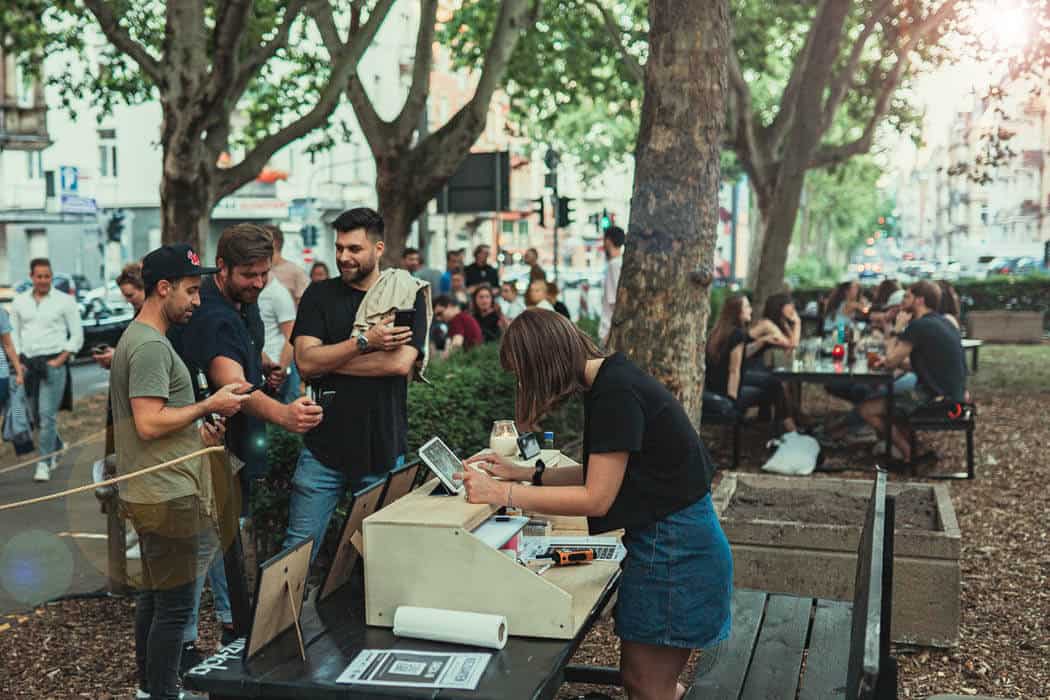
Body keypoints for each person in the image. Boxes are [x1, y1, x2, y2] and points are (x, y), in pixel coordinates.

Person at [456, 310, 732, 700]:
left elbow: (596, 497)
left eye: (523, 374)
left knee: (645, 685)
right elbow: (603, 470)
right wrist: (522, 472)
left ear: (542, 362)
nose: (523, 383)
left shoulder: (615, 393)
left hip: (675, 552)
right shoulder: (612, 380)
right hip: (676, 545)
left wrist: (501, 494)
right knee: (650, 683)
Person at [110, 242, 250, 700]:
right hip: (166, 495)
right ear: (163, 288)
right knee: (173, 610)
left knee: (155, 600)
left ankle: (152, 689)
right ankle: (162, 693)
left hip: (153, 490)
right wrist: (210, 402)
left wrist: (196, 431)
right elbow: (149, 422)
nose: (196, 300)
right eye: (190, 291)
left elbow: (154, 419)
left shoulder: (140, 338)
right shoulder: (150, 346)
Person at [174, 224, 323, 646]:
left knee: (223, 531)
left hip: (234, 439)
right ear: (221, 267)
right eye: (249, 276)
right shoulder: (209, 312)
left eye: (265, 274)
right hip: (203, 441)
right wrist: (284, 415)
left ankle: (229, 622)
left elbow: (243, 351)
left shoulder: (241, 299)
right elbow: (231, 382)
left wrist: (262, 362)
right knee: (206, 542)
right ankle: (202, 636)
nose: (258, 284)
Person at [285, 207, 428, 562]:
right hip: (322, 449)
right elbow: (304, 360)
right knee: (297, 551)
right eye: (339, 248)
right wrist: (364, 343)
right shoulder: (319, 295)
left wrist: (327, 362)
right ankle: (288, 618)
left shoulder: (406, 294)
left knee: (380, 557)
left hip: (381, 446)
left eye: (354, 249)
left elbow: (398, 364)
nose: (344, 257)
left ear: (378, 249)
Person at [858, 281, 966, 466]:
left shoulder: (919, 327)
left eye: (907, 296)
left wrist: (896, 329)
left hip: (939, 400)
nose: (902, 300)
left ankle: (910, 456)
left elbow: (891, 362)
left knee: (866, 410)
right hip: (954, 394)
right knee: (891, 402)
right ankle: (907, 450)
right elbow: (925, 363)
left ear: (919, 300)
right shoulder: (942, 322)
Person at [11, 258, 83, 483]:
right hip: (28, 365)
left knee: (47, 414)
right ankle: (58, 446)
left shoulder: (65, 301)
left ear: (51, 277)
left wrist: (61, 358)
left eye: (47, 276)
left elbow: (77, 335)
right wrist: (19, 360)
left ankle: (43, 463)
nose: (43, 280)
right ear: (31, 277)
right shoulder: (19, 302)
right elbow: (14, 333)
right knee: (34, 416)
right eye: (39, 276)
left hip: (53, 364)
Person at [705, 295, 797, 434]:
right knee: (775, 386)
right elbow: (734, 370)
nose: (751, 310)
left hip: (715, 387)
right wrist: (732, 401)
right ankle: (787, 430)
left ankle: (775, 425)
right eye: (747, 307)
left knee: (773, 382)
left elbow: (741, 354)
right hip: (727, 393)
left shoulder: (719, 332)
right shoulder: (737, 334)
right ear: (738, 312)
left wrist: (762, 341)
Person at [94, 263, 146, 370]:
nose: (127, 301)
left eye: (130, 295)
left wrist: (117, 356)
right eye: (125, 296)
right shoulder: (139, 313)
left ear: (145, 288)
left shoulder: (152, 317)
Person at [258, 276, 298, 402]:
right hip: (259, 366)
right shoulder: (246, 294)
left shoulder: (277, 293)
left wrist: (279, 371)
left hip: (278, 369)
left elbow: (291, 335)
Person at [265, 224, 309, 305]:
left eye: (264, 239)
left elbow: (303, 306)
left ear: (275, 242)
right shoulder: (257, 271)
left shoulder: (296, 272)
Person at [599, 226, 624, 344]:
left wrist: (609, 334)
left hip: (608, 329)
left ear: (608, 241)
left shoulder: (613, 265)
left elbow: (614, 300)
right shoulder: (621, 262)